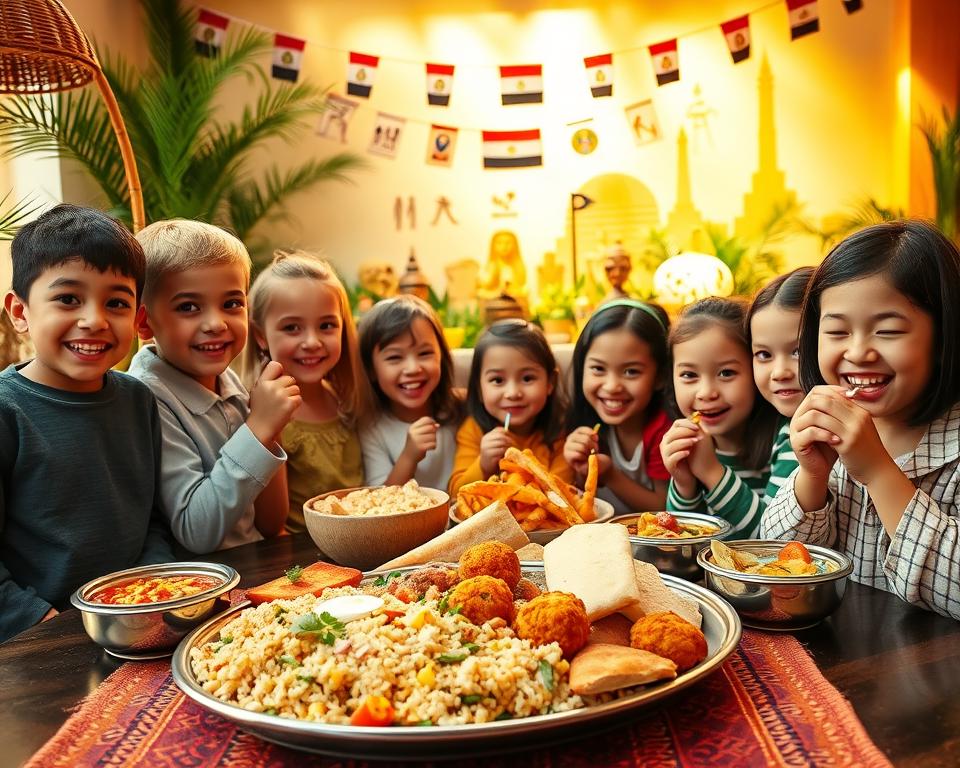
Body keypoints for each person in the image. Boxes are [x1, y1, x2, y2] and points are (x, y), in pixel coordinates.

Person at [762, 221, 960, 620]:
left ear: (943, 338)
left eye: (887, 330)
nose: (858, 352)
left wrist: (877, 470)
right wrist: (812, 477)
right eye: (836, 331)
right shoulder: (832, 428)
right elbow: (778, 565)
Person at [0, 204, 173, 642]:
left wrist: (154, 591)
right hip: (39, 639)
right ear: (20, 312)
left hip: (138, 620)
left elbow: (150, 516)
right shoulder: (7, 412)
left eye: (115, 302)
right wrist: (43, 624)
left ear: (137, 320)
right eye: (67, 298)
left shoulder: (137, 399)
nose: (94, 320)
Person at [129, 221, 299, 553]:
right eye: (188, 307)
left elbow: (270, 523)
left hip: (248, 568)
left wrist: (270, 430)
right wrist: (258, 428)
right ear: (144, 322)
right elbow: (197, 531)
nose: (216, 324)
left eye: (232, 303)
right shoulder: (146, 397)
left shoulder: (228, 382)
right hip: (196, 590)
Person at [244, 250, 364, 533]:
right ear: (261, 335)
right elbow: (271, 524)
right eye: (292, 328)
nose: (311, 341)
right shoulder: (262, 410)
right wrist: (269, 430)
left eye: (326, 326)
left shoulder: (344, 397)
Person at [660, 297, 779, 538]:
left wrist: (711, 472)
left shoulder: (787, 439)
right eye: (689, 375)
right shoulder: (690, 444)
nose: (706, 393)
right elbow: (680, 544)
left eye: (726, 373)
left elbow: (775, 538)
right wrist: (683, 484)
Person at [563, 299, 671, 514]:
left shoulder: (664, 432)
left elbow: (663, 507)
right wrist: (576, 469)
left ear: (660, 376)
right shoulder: (579, 423)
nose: (612, 386)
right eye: (598, 369)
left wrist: (610, 474)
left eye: (631, 371)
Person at [449, 319, 570, 496]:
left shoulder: (560, 433)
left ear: (550, 383)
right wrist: (483, 464)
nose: (513, 393)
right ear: (479, 389)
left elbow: (561, 494)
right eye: (498, 380)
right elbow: (456, 494)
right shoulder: (473, 431)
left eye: (527, 378)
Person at [358, 295, 463, 488]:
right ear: (371, 369)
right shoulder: (371, 428)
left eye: (424, 353)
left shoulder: (461, 408)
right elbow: (380, 504)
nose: (413, 368)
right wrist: (409, 456)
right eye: (395, 357)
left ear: (442, 356)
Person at [746, 267, 814, 504]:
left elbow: (770, 537)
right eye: (764, 354)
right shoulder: (785, 428)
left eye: (798, 351)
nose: (780, 372)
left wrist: (712, 473)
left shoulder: (810, 433)